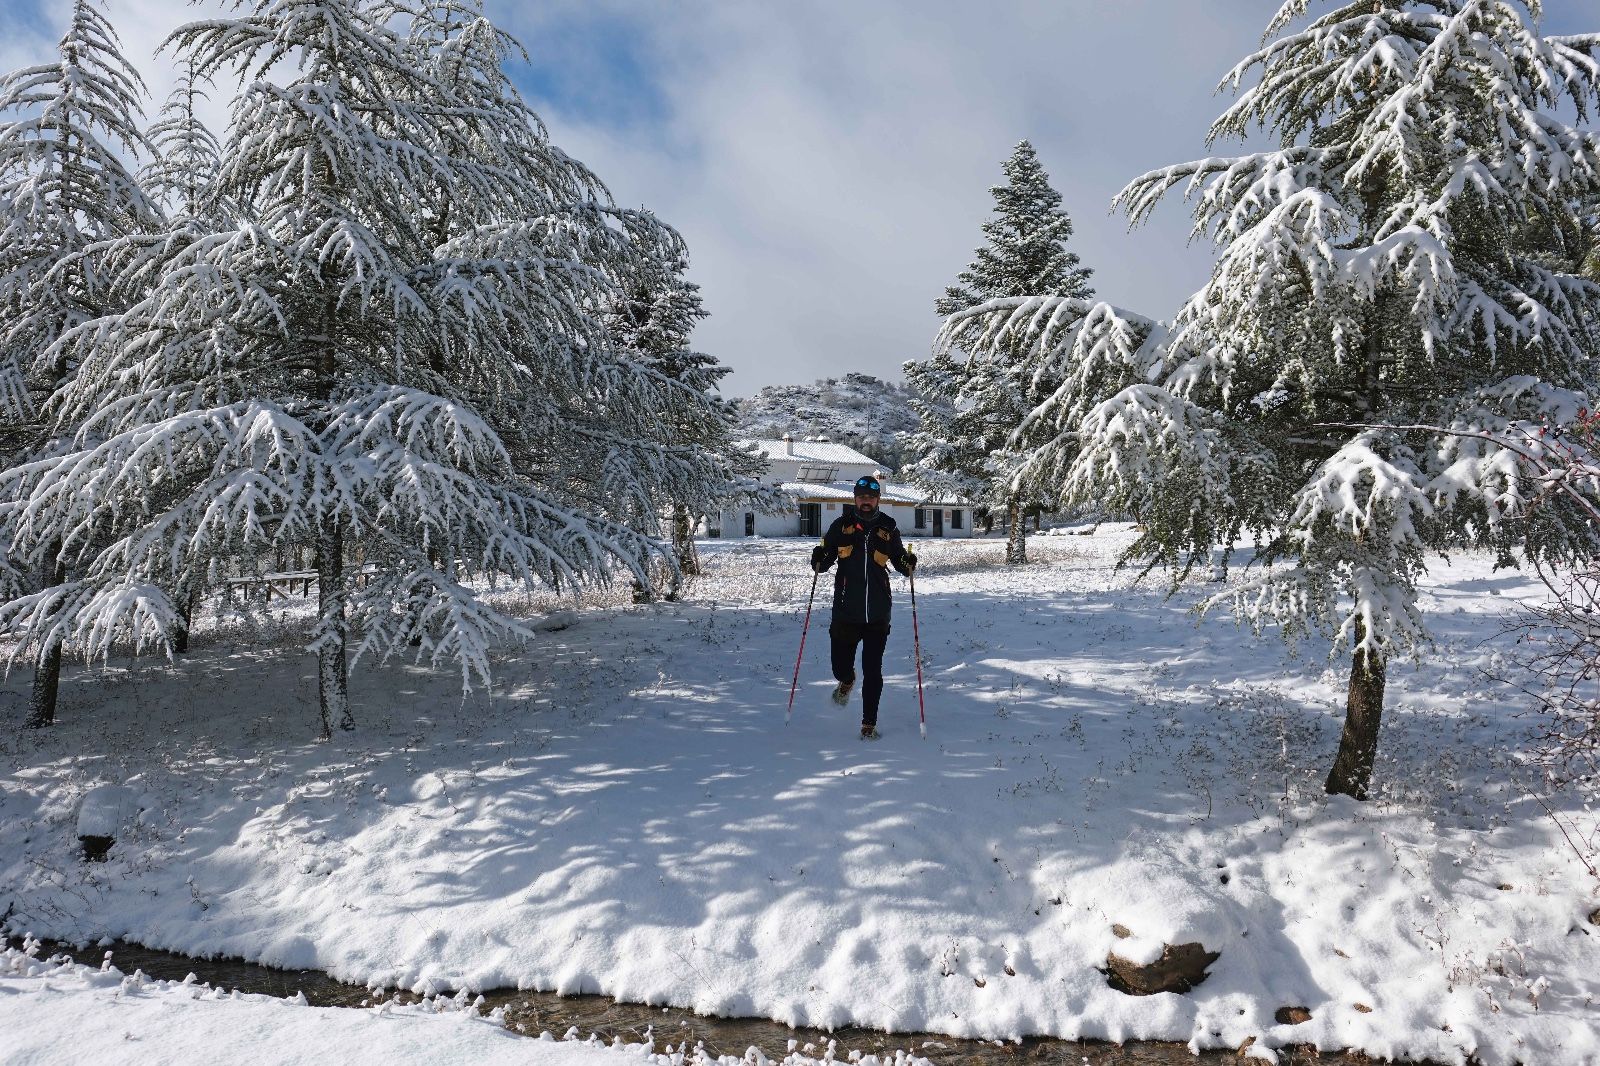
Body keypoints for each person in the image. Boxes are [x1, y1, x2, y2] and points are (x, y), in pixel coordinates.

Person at [809, 474, 917, 739]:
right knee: (839, 667)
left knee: (873, 670)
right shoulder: (841, 525)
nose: (866, 501)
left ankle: (869, 724)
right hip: (846, 610)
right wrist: (819, 558)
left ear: (877, 499)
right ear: (855, 499)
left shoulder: (888, 527)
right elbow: (823, 564)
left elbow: (900, 563)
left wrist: (908, 563)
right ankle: (847, 680)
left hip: (878, 613)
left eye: (871, 497)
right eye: (861, 497)